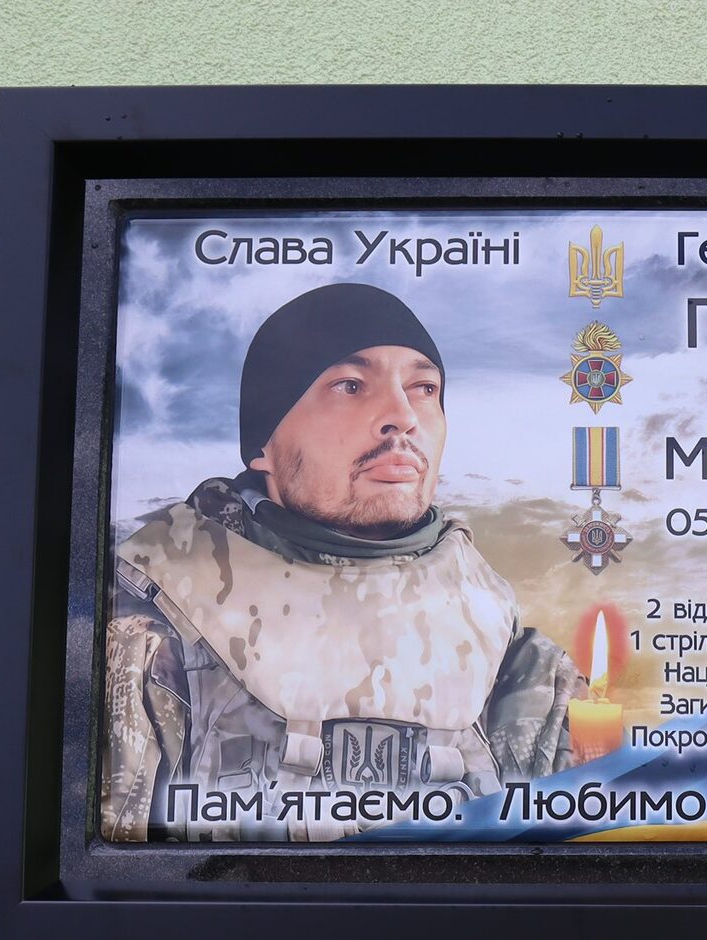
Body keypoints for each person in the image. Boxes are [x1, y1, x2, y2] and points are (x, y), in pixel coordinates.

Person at [103, 282, 580, 841]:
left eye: (424, 388)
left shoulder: (512, 650)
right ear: (263, 445)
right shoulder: (145, 622)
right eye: (350, 386)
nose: (402, 416)